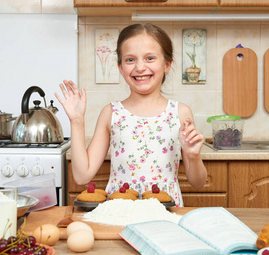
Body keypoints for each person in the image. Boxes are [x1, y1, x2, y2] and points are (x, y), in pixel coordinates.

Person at [55, 23, 207, 207]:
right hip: (119, 211)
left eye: (150, 58)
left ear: (167, 64)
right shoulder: (111, 113)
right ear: (120, 67)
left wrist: (193, 156)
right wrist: (77, 120)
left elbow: (198, 183)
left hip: (165, 214)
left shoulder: (181, 113)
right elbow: (81, 176)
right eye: (130, 60)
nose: (140, 67)